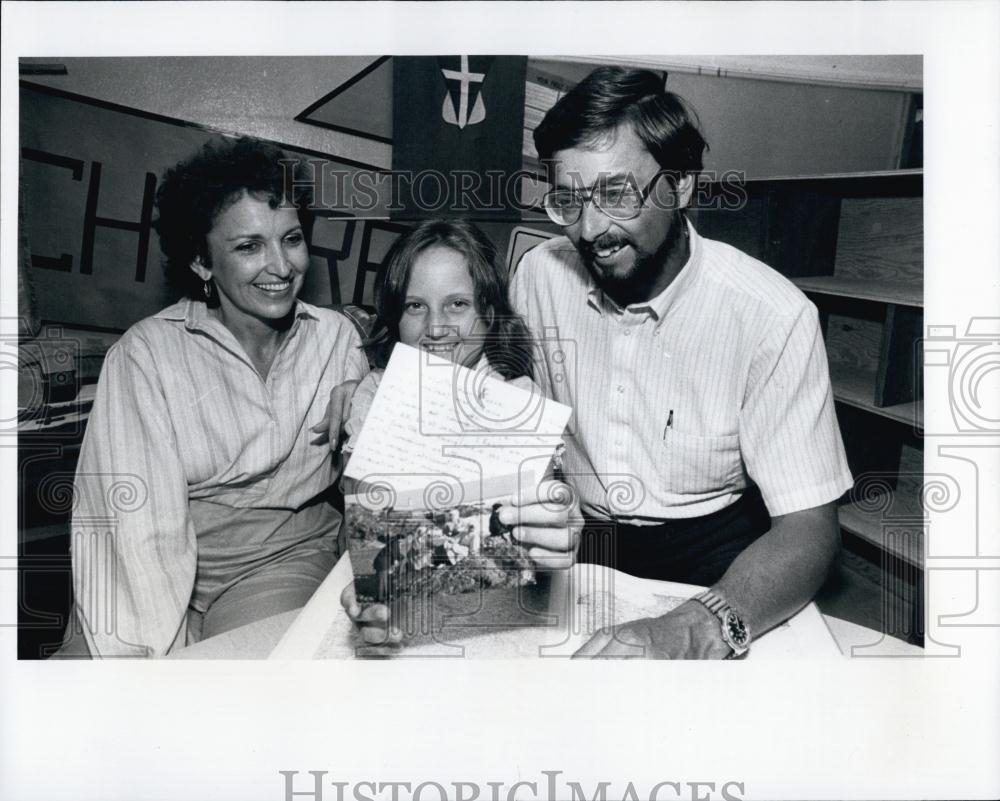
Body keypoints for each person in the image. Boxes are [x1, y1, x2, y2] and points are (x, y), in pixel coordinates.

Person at [504, 67, 853, 658]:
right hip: (578, 544)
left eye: (616, 194)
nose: (590, 231)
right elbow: (515, 431)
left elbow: (810, 531)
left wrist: (693, 628)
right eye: (569, 200)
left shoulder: (773, 316)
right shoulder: (539, 274)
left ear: (682, 186)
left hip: (719, 560)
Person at [64, 137, 369, 657]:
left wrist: (373, 398)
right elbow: (132, 528)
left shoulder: (336, 338)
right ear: (203, 263)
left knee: (234, 698)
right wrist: (129, 660)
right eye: (248, 246)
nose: (280, 265)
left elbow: (372, 484)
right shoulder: (147, 354)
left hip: (279, 562)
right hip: (146, 559)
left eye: (291, 239)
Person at [335, 219, 549, 643]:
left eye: (457, 305)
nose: (435, 328)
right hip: (401, 591)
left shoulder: (519, 398)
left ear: (489, 313)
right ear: (395, 315)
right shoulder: (376, 394)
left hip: (496, 605)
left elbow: (531, 538)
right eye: (416, 306)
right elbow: (366, 521)